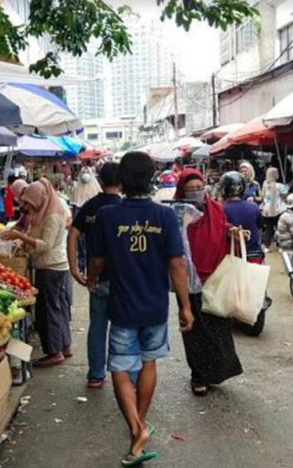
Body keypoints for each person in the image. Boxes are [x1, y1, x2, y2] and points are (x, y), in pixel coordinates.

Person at [88, 152, 193, 466]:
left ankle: (136, 428)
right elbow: (176, 263)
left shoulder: (108, 215)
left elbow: (96, 261)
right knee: (148, 363)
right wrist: (185, 306)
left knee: (119, 368)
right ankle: (140, 428)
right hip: (156, 305)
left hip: (123, 305)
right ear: (151, 178)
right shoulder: (164, 216)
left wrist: (92, 280)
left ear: (121, 180)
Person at [174, 168, 243, 397]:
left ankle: (215, 371)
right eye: (190, 189)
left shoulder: (216, 209)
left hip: (216, 275)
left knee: (217, 328)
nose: (195, 192)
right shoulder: (177, 212)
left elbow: (222, 227)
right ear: (181, 190)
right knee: (194, 330)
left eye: (198, 188)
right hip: (188, 280)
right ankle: (198, 376)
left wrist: (232, 232)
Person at [1, 178, 72, 367]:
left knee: (48, 311)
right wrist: (24, 244)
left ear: (42, 197)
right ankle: (65, 346)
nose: (30, 207)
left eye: (33, 203)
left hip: (50, 267)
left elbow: (45, 245)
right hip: (52, 265)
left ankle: (54, 352)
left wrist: (19, 236)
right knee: (58, 308)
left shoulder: (53, 215)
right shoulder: (42, 212)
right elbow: (35, 237)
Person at [67, 162, 122, 389]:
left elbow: (72, 236)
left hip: (96, 278)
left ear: (99, 179)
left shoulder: (90, 206)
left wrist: (74, 270)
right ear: (121, 182)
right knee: (122, 329)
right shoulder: (124, 208)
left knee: (98, 326)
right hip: (121, 280)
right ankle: (123, 376)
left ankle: (96, 375)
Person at [220, 171, 263, 255]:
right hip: (254, 252)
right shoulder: (254, 206)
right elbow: (259, 229)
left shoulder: (220, 209)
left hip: (232, 255)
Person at [260, 167, 288, 249]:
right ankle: (280, 246)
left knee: (268, 229)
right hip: (278, 210)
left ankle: (266, 246)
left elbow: (263, 196)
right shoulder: (280, 186)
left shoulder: (264, 184)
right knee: (280, 229)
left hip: (266, 211)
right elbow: (285, 197)